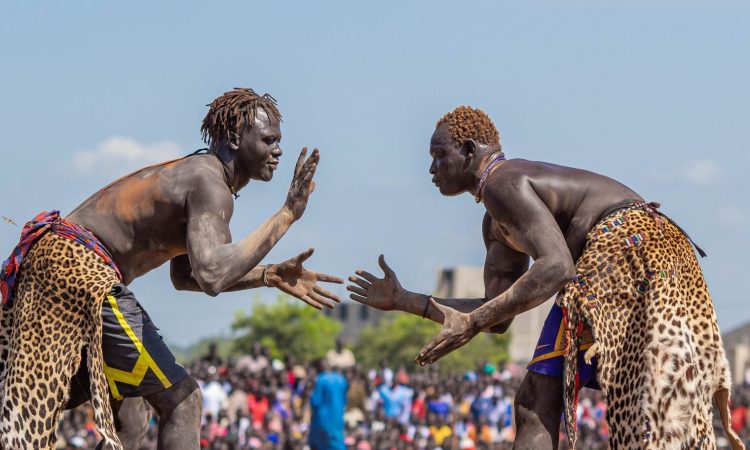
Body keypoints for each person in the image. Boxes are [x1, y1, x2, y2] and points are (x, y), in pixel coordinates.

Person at [347, 106, 742, 449]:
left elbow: (556, 268)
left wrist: (471, 323)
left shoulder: (502, 184)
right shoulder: (495, 222)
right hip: (659, 256)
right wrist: (407, 300)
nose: (432, 169)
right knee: (637, 399)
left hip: (624, 252)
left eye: (439, 155)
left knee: (556, 400)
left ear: (469, 152)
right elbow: (498, 317)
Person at [0, 88, 342, 449]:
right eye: (268, 139)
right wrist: (286, 215)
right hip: (80, 270)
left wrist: (268, 274)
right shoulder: (209, 183)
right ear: (233, 137)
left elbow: (188, 276)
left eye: (278, 141)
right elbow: (211, 275)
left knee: (131, 416)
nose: (278, 150)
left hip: (58, 268)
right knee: (184, 401)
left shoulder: (200, 178)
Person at [308, 359, 348, 450]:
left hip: (322, 420)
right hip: (338, 418)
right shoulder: (341, 379)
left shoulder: (321, 379)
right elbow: (345, 400)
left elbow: (315, 402)